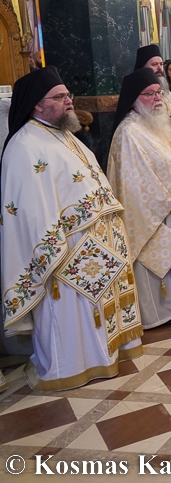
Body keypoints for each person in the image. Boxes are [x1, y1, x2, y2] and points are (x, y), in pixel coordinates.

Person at [2, 68, 142, 390]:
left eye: (69, 95)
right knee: (69, 316)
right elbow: (31, 210)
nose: (69, 102)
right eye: (61, 97)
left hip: (95, 244)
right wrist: (56, 249)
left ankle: (100, 358)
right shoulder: (24, 146)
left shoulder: (62, 134)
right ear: (38, 105)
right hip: (65, 252)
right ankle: (68, 367)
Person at [108, 69, 171, 329]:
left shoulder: (158, 125)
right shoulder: (129, 132)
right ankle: (167, 311)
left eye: (159, 93)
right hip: (160, 213)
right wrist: (168, 202)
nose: (157, 99)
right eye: (149, 94)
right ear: (133, 99)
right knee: (167, 264)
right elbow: (133, 182)